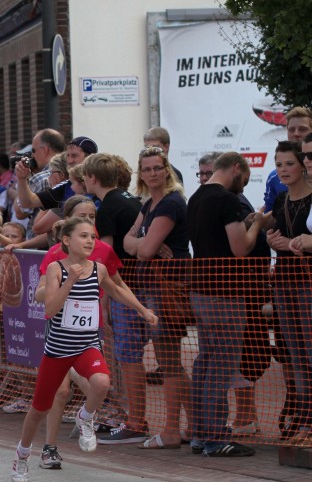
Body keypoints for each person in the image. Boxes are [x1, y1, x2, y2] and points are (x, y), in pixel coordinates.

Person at [11, 216, 157, 482]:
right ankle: (22, 454)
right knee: (39, 409)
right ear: (67, 240)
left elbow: (116, 291)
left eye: (93, 237)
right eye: (84, 236)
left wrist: (142, 309)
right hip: (58, 349)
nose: (90, 241)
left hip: (87, 345)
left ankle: (85, 417)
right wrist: (70, 282)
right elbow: (50, 309)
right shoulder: (56, 269)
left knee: (102, 382)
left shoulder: (99, 269)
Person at [187, 152, 268, 457]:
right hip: (225, 293)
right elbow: (240, 248)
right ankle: (215, 437)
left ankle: (200, 434)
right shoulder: (227, 200)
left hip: (201, 291)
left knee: (206, 361)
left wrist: (244, 223)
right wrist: (257, 224)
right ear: (236, 168)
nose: (242, 187)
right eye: (243, 180)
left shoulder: (196, 198)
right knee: (221, 364)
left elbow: (216, 237)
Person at [123, 146, 192, 449]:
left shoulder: (171, 203)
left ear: (167, 170)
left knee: (169, 361)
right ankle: (196, 423)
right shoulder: (150, 203)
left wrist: (141, 244)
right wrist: (142, 243)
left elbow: (145, 250)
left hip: (166, 290)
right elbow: (128, 243)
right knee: (169, 360)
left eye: (157, 168)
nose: (152, 173)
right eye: (146, 169)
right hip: (153, 287)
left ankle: (172, 430)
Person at [83, 153, 148, 440]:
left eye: (85, 177)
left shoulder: (108, 206)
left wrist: (104, 301)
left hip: (127, 288)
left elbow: (104, 261)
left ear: (92, 178)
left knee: (128, 356)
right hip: (141, 284)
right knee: (162, 358)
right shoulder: (131, 199)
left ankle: (136, 422)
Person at [265, 141, 312, 439]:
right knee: (295, 354)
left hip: (307, 282)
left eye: (289, 163)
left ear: (302, 164)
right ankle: (304, 418)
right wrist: (272, 239)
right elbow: (276, 234)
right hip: (284, 282)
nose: (283, 170)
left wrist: (290, 244)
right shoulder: (282, 198)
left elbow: (299, 240)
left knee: (309, 351)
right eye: (279, 164)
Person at [262, 107, 312, 212]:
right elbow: (270, 215)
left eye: (303, 129)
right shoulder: (275, 177)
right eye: (291, 130)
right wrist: (259, 220)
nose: (296, 133)